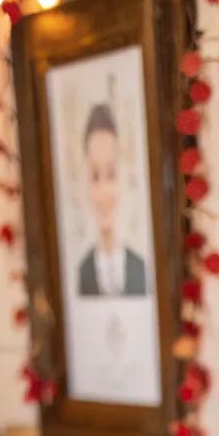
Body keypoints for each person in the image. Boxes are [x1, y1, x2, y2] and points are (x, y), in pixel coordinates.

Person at [76, 102, 147, 297]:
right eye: (95, 176)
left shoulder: (141, 268)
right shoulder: (82, 272)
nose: (103, 191)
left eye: (111, 174)